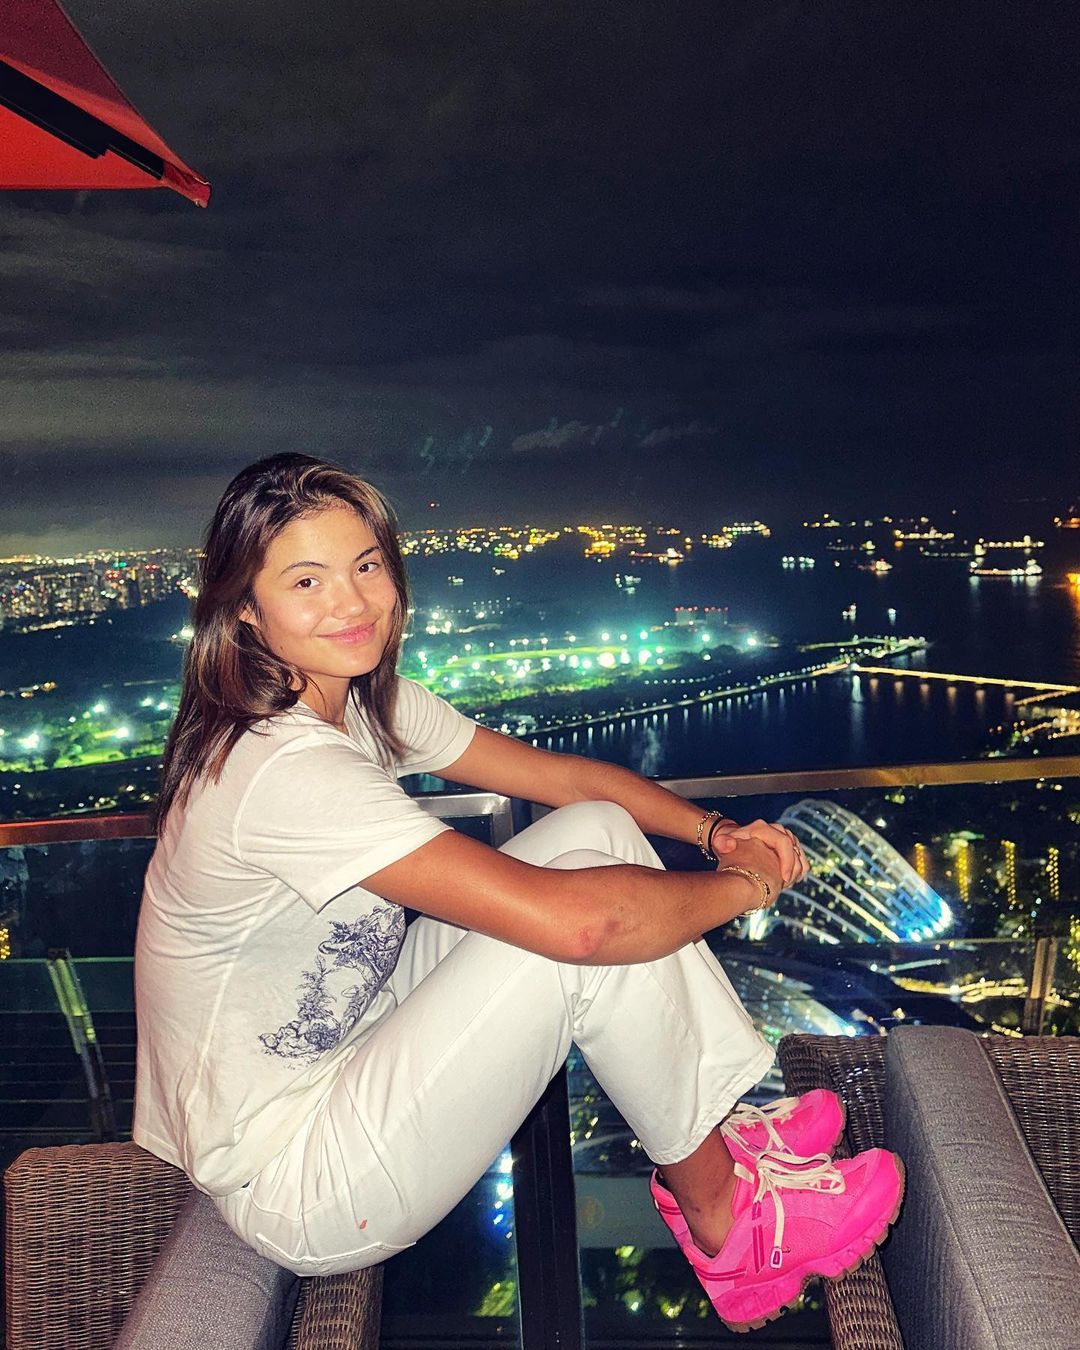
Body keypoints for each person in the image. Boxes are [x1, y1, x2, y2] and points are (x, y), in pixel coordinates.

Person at [133, 453, 903, 1333]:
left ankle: (714, 1130)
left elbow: (567, 780)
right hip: (295, 1172)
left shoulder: (360, 704)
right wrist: (746, 884)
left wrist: (714, 834)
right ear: (245, 607)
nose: (351, 603)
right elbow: (582, 929)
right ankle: (728, 1222)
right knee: (574, 937)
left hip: (356, 1037)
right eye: (307, 581)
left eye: (366, 565)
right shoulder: (277, 766)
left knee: (594, 833)